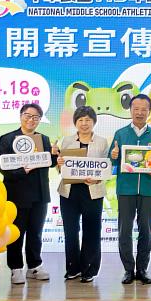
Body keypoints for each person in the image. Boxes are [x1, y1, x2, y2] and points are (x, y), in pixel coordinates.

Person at [0, 103, 57, 285]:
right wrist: (22, 171)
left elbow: (49, 163)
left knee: (36, 232)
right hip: (16, 193)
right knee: (16, 232)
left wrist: (54, 155)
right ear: (21, 116)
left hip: (39, 193)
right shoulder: (8, 139)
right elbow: (1, 165)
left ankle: (34, 266)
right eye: (28, 116)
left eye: (36, 117)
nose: (31, 120)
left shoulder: (43, 139)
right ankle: (15, 268)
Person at [109, 94, 151, 285]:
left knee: (146, 230)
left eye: (144, 109)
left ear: (149, 111)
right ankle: (128, 269)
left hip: (148, 189)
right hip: (126, 189)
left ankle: (142, 269)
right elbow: (111, 162)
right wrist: (113, 155)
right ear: (130, 110)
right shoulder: (120, 134)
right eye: (136, 109)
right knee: (124, 230)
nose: (139, 113)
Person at [56, 106, 110, 283]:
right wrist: (59, 163)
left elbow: (105, 168)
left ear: (94, 122)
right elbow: (61, 168)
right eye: (80, 120)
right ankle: (73, 268)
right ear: (75, 123)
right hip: (69, 192)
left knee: (92, 230)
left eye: (88, 120)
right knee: (70, 231)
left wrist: (97, 179)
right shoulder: (66, 141)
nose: (84, 123)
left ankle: (89, 269)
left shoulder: (102, 142)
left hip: (92, 191)